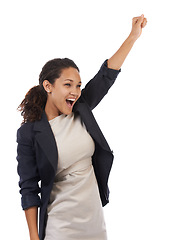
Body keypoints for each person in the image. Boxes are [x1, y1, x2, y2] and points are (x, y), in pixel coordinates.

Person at [16, 15, 147, 240]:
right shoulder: (29, 132)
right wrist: (33, 238)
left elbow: (106, 75)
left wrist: (133, 37)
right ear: (48, 86)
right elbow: (28, 187)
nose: (75, 91)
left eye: (78, 85)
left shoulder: (81, 109)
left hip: (94, 222)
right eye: (67, 85)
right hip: (60, 225)